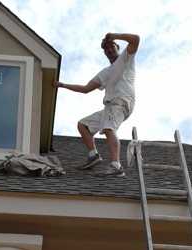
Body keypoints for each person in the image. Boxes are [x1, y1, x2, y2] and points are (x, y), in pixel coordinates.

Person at [53, 32, 140, 177]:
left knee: (108, 127)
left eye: (111, 46)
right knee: (83, 125)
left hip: (122, 101)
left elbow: (135, 39)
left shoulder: (126, 58)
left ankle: (116, 166)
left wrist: (114, 35)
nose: (109, 50)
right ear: (105, 53)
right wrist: (62, 85)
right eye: (106, 49)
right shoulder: (105, 72)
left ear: (117, 46)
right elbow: (86, 89)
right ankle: (93, 155)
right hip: (111, 105)